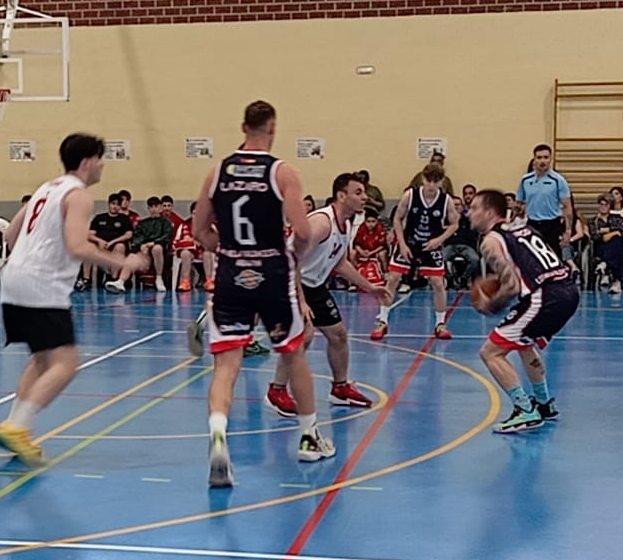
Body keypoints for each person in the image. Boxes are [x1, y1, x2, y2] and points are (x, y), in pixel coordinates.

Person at [194, 100, 329, 488]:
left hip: (230, 273)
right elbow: (302, 232)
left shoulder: (217, 171)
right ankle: (308, 436)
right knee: (293, 352)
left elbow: (199, 230)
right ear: (272, 128)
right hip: (271, 271)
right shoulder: (283, 172)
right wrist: (292, 256)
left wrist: (227, 249)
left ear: (243, 127)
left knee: (226, 365)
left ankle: (218, 436)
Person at [0, 133, 145, 466]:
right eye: (101, 158)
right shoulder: (79, 196)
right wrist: (122, 263)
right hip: (41, 284)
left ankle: (14, 426)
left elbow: (11, 235)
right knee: (67, 363)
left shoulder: (46, 188)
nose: (103, 165)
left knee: (41, 359)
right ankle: (18, 426)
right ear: (87, 161)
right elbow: (77, 247)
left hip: (14, 278)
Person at [267, 173, 394, 417]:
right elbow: (290, 259)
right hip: (287, 281)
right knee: (304, 336)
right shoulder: (321, 224)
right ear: (341, 196)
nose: (364, 198)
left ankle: (340, 388)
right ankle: (277, 391)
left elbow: (340, 262)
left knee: (338, 335)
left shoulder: (344, 224)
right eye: (358, 192)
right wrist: (301, 301)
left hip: (313, 285)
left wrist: (370, 287)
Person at [469, 188, 580, 433]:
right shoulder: (523, 228)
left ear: (490, 212)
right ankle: (544, 403)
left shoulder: (490, 241)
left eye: (475, 208)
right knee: (524, 343)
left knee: (490, 352)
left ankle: (525, 410)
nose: (469, 213)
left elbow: (511, 286)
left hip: (545, 296)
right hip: (568, 290)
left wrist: (490, 303)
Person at [370, 162, 459, 341]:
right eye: (428, 180)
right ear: (422, 179)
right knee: (393, 279)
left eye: (436, 181)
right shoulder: (410, 195)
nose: (431, 185)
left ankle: (440, 323)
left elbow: (454, 223)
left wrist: (439, 240)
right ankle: (382, 321)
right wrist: (401, 244)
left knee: (438, 283)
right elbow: (397, 218)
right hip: (409, 242)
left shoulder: (446, 200)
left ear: (441, 181)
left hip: (430, 245)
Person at [105, 196, 174, 292]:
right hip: (144, 252)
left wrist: (153, 243)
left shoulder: (166, 223)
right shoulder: (142, 223)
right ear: (148, 208)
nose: (154, 209)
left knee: (157, 248)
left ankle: (159, 278)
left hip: (159, 251)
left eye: (156, 206)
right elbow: (137, 237)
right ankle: (121, 281)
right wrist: (141, 245)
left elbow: (166, 236)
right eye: (151, 207)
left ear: (160, 208)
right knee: (131, 257)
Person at [517, 144, 573, 250]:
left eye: (546, 157)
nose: (542, 161)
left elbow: (567, 207)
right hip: (532, 224)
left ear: (550, 159)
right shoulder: (525, 180)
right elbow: (519, 203)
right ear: (534, 160)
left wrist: (568, 230)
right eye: (539, 157)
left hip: (551, 225)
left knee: (552, 255)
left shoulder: (558, 180)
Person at [79, 193, 133, 290]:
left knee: (120, 246)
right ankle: (86, 280)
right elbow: (90, 234)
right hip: (100, 246)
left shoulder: (124, 219)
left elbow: (129, 234)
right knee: (88, 247)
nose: (115, 206)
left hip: (115, 246)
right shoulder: (99, 218)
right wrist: (99, 241)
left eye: (117, 204)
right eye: (113, 204)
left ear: (120, 206)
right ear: (109, 204)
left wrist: (113, 242)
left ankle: (113, 279)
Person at [589, 193, 623, 294]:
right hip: (602, 248)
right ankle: (617, 281)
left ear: (610, 206)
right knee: (617, 248)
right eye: (601, 204)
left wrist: (607, 231)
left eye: (606, 204)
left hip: (622, 245)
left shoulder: (618, 218)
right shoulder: (593, 221)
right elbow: (595, 236)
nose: (603, 207)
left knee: (617, 242)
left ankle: (605, 265)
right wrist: (615, 232)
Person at [173, 201, 214, 292]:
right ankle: (185, 281)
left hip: (202, 252)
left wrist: (203, 242)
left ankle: (209, 281)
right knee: (185, 254)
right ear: (191, 214)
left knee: (207, 254)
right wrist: (190, 242)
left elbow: (214, 241)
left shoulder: (208, 226)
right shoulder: (183, 225)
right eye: (194, 214)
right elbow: (175, 242)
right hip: (188, 251)